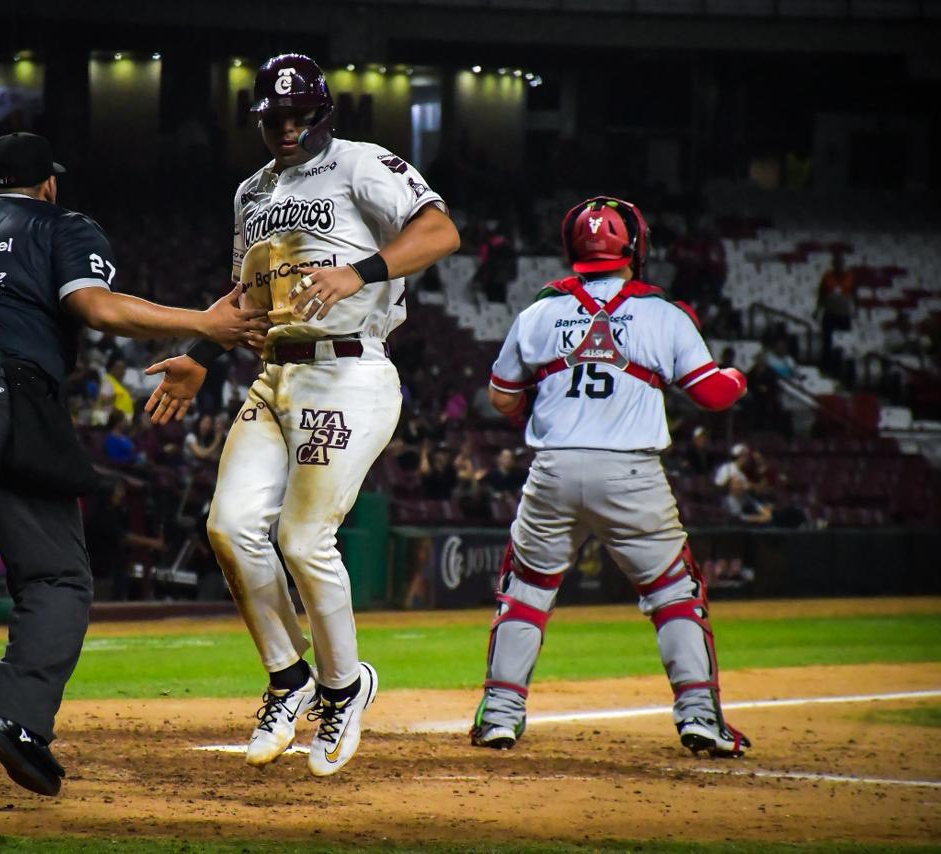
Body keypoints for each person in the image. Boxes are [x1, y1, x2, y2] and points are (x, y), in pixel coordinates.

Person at [0, 132, 267, 806]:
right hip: (2, 396)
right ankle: (15, 718)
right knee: (57, 576)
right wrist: (204, 324)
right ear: (49, 187)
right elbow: (94, 306)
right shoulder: (61, 225)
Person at [142, 54, 460, 777]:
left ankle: (345, 688)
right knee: (228, 528)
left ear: (323, 114)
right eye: (274, 118)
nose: (287, 129)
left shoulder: (361, 163)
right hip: (274, 372)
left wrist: (360, 270)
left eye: (300, 116)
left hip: (349, 370)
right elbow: (247, 295)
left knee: (303, 536)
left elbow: (441, 232)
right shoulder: (251, 191)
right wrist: (200, 354)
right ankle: (290, 679)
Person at [471, 196, 752, 759]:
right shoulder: (664, 314)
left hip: (552, 469)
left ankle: (499, 716)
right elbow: (713, 395)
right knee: (673, 593)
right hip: (630, 473)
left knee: (526, 591)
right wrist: (738, 376)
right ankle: (699, 716)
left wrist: (543, 403)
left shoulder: (539, 312)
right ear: (635, 247)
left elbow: (500, 396)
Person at [816, 252, 854, 372]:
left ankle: (840, 369)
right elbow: (821, 294)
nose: (838, 265)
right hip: (830, 314)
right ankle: (825, 368)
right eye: (836, 263)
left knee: (842, 343)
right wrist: (817, 310)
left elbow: (854, 294)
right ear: (833, 264)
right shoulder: (827, 277)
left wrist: (856, 311)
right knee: (827, 342)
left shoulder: (850, 277)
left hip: (844, 315)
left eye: (840, 263)